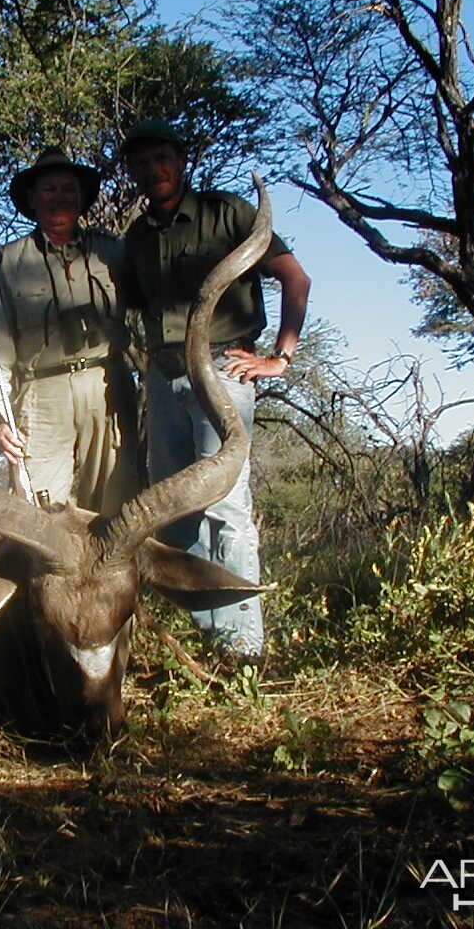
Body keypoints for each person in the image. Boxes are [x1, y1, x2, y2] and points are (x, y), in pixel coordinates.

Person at [120, 118, 311, 661]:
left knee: (225, 508)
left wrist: (280, 357)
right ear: (132, 171)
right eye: (140, 161)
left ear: (180, 162)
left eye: (161, 158)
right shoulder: (136, 237)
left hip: (225, 371)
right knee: (173, 513)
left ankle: (246, 649)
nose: (152, 169)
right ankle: (210, 641)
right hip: (161, 378)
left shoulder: (228, 212)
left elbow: (296, 278)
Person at [0, 147, 138, 515]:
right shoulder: (9, 260)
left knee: (116, 514)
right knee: (37, 518)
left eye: (67, 188)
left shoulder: (112, 252)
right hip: (41, 396)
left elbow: (155, 312)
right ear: (32, 199)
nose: (58, 197)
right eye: (48, 189)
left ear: (80, 198)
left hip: (108, 388)